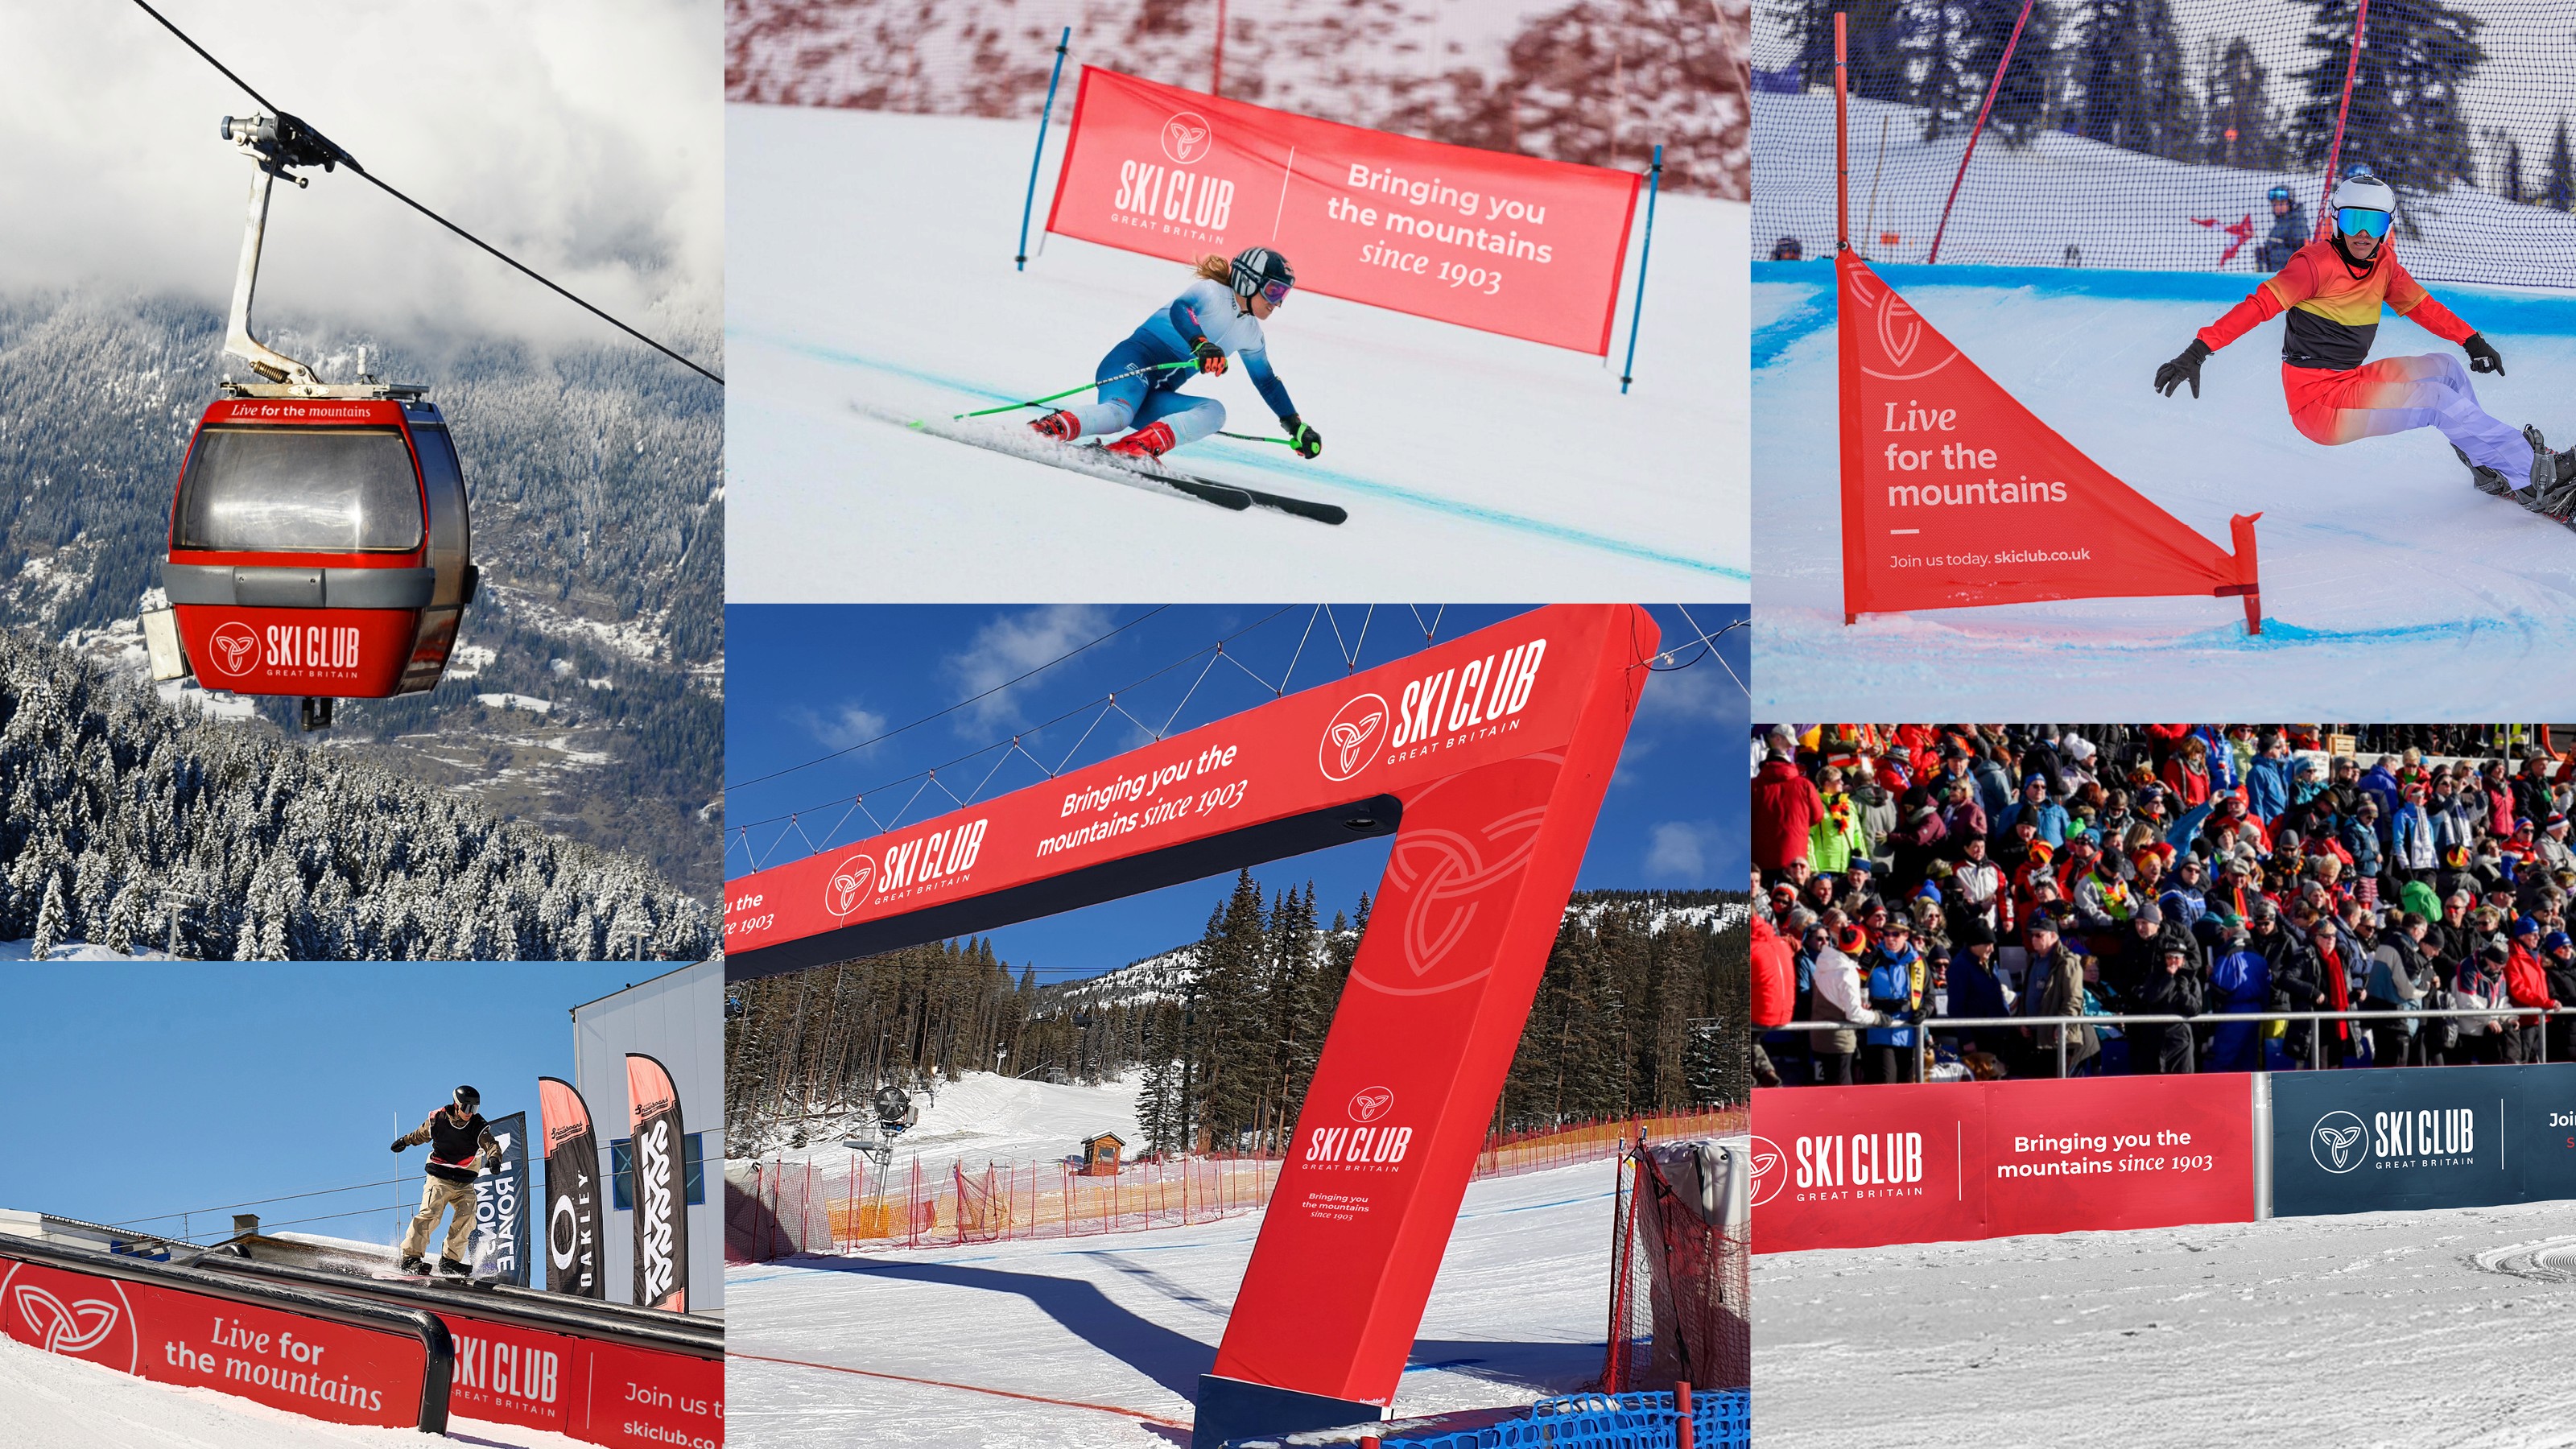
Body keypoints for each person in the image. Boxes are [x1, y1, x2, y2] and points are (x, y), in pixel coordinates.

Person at [2154, 172, 2569, 521]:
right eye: (2354, 221)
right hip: (2320, 405)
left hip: (2347, 381)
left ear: (2388, 225)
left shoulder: (2384, 264)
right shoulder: (2313, 265)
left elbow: (2423, 306)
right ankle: (2534, 477)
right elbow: (2259, 305)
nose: (2363, 235)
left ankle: (2491, 464)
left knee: (2445, 369)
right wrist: (2199, 349)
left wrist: (2470, 338)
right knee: (2437, 402)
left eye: (2374, 223)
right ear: (2337, 221)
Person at [1029, 247, 1322, 462]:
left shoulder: (1251, 334)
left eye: (1283, 295)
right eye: (1273, 292)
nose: (1277, 303)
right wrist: (1201, 343)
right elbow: (1182, 310)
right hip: (1132, 364)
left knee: (1214, 412)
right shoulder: (1211, 291)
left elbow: (1267, 382)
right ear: (1248, 280)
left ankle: (1134, 448)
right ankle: (1047, 429)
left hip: (1156, 394)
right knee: (1117, 415)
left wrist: (1295, 425)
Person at [391, 1086, 502, 1276]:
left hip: (464, 1182)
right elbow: (421, 1134)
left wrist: (494, 1158)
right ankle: (410, 1258)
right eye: (467, 1108)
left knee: (467, 1218)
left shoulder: (478, 1126)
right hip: (440, 1178)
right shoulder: (439, 1120)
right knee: (431, 1213)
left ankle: (450, 1261)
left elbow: (491, 1144)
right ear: (456, 1105)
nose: (470, 1113)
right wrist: (405, 1141)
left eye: (474, 1109)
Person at [2256, 183, 2308, 271]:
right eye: (2274, 204)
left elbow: (2301, 254)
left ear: (2290, 203)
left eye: (2281, 203)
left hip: (2290, 279)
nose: (2277, 207)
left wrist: (2268, 255)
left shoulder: (2297, 224)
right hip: (2275, 277)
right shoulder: (2279, 225)